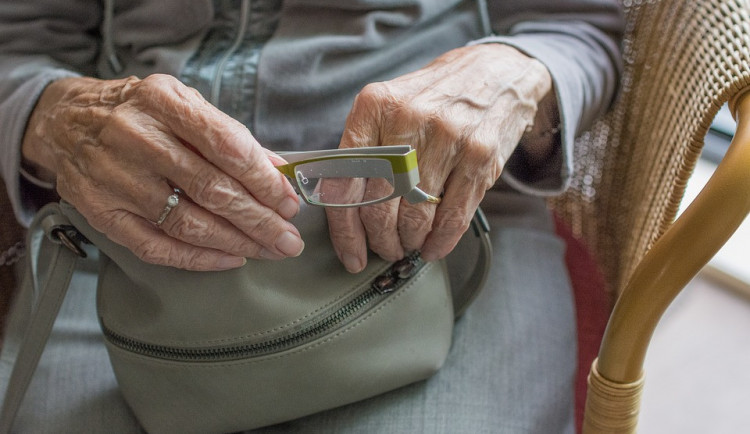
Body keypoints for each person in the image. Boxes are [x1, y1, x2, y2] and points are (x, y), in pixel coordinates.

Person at [0, 0, 623, 432]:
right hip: (133, 226)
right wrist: (63, 119)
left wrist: (506, 74)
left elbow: (576, 32)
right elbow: (19, 47)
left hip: (426, 226)